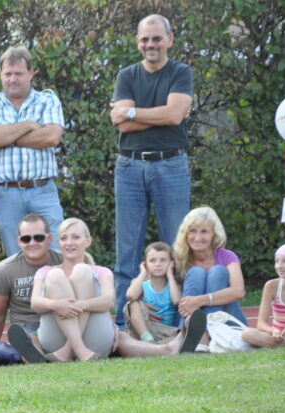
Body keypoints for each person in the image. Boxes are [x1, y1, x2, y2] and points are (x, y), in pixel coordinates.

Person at [17, 217, 202, 362]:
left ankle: (169, 349)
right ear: (58, 242)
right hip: (55, 341)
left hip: (94, 341)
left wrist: (79, 305)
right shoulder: (46, 271)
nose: (69, 243)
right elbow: (36, 303)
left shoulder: (101, 271)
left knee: (82, 271)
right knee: (55, 277)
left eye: (76, 237)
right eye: (64, 238)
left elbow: (108, 302)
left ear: (88, 241)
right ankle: (68, 350)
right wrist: (57, 305)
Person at [110, 14, 193, 327]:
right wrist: (158, 115)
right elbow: (120, 123)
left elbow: (175, 115)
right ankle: (121, 326)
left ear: (169, 40)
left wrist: (132, 112)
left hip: (171, 164)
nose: (150, 45)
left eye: (157, 38)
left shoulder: (180, 72)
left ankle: (181, 323)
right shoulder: (127, 75)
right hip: (129, 164)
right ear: (137, 42)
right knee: (127, 252)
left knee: (177, 249)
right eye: (145, 39)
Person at [0, 46, 65, 257]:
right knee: (16, 259)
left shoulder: (47, 99)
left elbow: (52, 136)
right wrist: (28, 125)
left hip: (43, 191)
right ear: (0, 75)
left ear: (31, 73)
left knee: (56, 255)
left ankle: (56, 291)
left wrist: (7, 138)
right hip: (7, 194)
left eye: (18, 73)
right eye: (8, 74)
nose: (12, 79)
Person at [0, 213, 64, 352]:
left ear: (49, 238)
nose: (32, 243)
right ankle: (33, 351)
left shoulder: (64, 262)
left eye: (38, 238)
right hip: (25, 328)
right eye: (26, 239)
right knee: (24, 337)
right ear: (19, 241)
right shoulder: (4, 270)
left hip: (58, 323)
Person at [173, 206, 247, 350]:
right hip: (187, 318)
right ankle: (198, 336)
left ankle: (203, 336)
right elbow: (156, 286)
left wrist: (200, 300)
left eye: (204, 232)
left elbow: (239, 291)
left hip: (227, 322)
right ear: (185, 234)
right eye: (193, 231)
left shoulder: (227, 256)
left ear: (214, 234)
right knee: (196, 273)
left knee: (218, 271)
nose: (198, 237)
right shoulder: (178, 258)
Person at [242, 242, 285, 348]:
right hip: (278, 337)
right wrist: (273, 332)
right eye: (277, 261)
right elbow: (261, 324)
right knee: (247, 333)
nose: (279, 266)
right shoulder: (271, 286)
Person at [123, 241, 181, 342]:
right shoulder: (140, 284)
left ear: (171, 263)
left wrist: (170, 275)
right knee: (133, 304)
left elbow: (177, 301)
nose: (158, 264)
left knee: (180, 336)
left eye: (163, 260)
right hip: (143, 331)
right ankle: (147, 339)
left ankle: (154, 346)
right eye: (152, 260)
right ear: (145, 264)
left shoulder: (174, 286)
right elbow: (131, 295)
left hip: (165, 332)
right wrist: (143, 273)